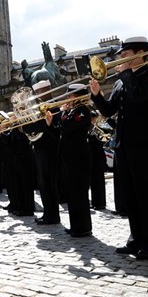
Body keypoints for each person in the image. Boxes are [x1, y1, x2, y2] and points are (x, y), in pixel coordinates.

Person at [89, 36, 148, 259]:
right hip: (123, 145)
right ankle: (135, 238)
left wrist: (126, 74)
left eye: (125, 55)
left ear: (141, 53)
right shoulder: (119, 81)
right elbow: (109, 111)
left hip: (146, 144)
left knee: (146, 195)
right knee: (131, 195)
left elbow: (139, 96)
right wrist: (97, 95)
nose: (120, 60)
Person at [24, 80, 61, 225]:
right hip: (39, 149)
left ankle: (53, 215)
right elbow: (29, 128)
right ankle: (48, 213)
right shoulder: (37, 108)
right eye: (38, 93)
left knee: (50, 184)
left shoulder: (55, 106)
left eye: (42, 92)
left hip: (50, 149)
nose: (39, 96)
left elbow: (56, 130)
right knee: (43, 184)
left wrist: (46, 124)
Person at [59, 84, 92, 237]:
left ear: (78, 96)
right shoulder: (73, 110)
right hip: (70, 156)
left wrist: (63, 113)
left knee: (79, 193)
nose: (68, 98)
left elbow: (67, 126)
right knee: (72, 193)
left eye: (70, 95)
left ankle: (83, 227)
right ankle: (75, 225)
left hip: (78, 156)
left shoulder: (83, 110)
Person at [87, 110, 107, 210]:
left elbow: (102, 140)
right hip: (92, 157)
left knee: (99, 181)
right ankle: (95, 202)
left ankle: (100, 203)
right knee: (94, 181)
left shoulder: (100, 128)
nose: (91, 120)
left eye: (92, 118)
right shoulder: (89, 129)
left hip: (98, 157)